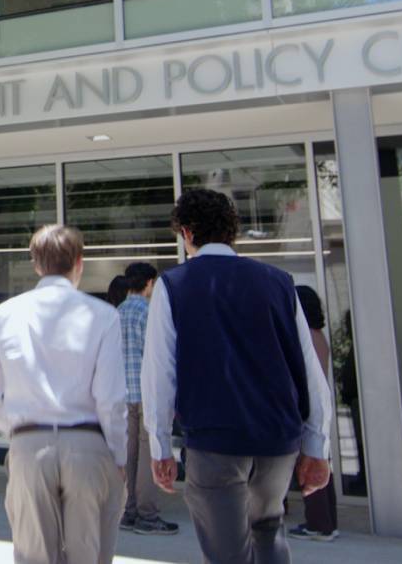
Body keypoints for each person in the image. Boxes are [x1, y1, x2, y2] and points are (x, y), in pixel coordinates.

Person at [142, 188, 332, 564]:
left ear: (188, 232)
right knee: (269, 531)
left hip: (215, 438)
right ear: (232, 232)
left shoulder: (174, 285)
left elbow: (160, 371)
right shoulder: (279, 282)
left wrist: (160, 444)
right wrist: (317, 445)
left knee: (227, 553)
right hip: (277, 439)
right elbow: (307, 368)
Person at [0, 225, 128, 564]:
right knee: (90, 553)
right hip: (89, 445)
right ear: (79, 262)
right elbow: (111, 399)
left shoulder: (5, 314)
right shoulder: (104, 315)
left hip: (29, 447)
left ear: (36, 264)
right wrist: (118, 455)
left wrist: (18, 429)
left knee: (34, 555)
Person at [118, 261, 178, 537]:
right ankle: (147, 514)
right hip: (145, 393)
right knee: (147, 454)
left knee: (129, 454)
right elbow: (156, 357)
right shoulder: (148, 312)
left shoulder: (116, 313)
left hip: (123, 394)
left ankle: (128, 510)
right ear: (149, 283)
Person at [289, 285, 338, 542]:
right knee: (320, 462)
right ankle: (327, 520)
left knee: (308, 464)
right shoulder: (318, 335)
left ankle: (318, 523)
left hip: (306, 409)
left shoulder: (305, 338)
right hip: (317, 408)